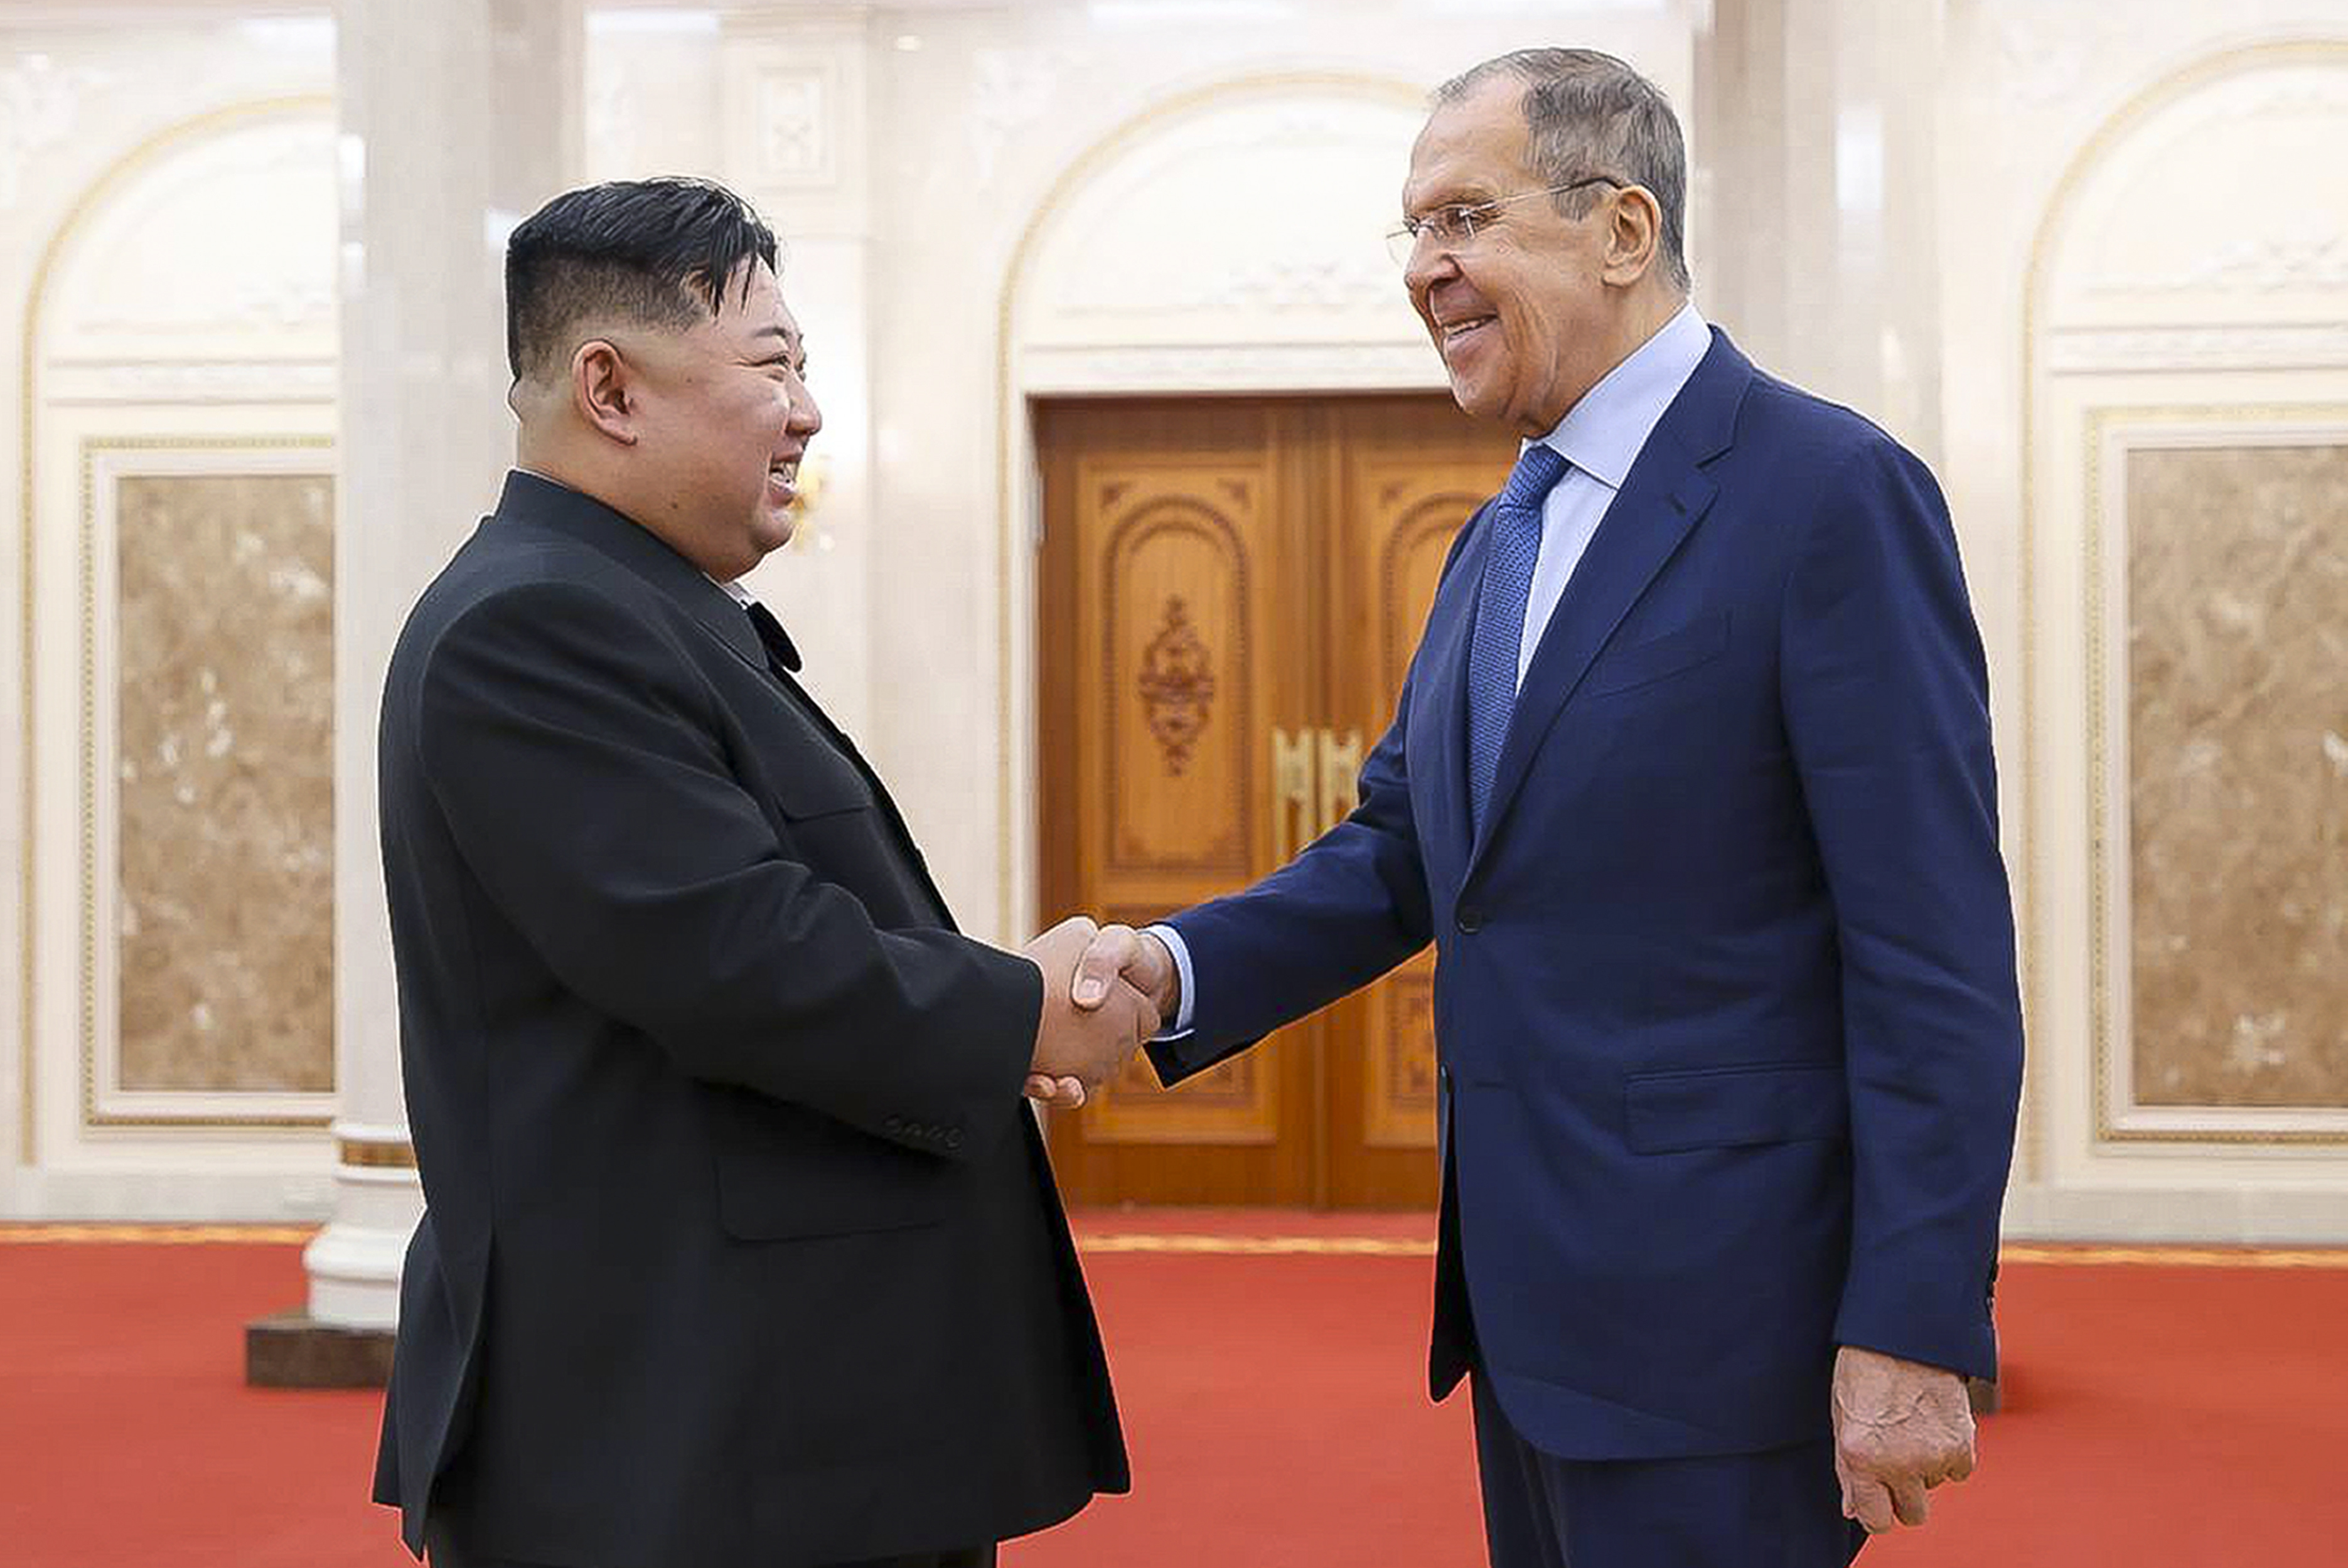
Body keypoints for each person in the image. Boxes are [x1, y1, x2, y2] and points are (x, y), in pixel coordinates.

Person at [1049, 47, 2024, 1567]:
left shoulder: (1826, 492)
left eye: (1461, 218)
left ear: (1621, 230)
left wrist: (1909, 1321)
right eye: (1412, 231)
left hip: (1727, 1336)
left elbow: (1933, 953)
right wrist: (1169, 975)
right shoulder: (1499, 532)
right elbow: (1400, 854)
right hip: (1526, 1321)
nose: (1422, 271)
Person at [371, 178, 1151, 1568]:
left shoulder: (645, 609)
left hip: (773, 1421)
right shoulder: (537, 623)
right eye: (773, 367)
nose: (808, 413)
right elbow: (739, 955)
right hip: (680, 1442)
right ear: (608, 388)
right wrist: (1018, 1010)